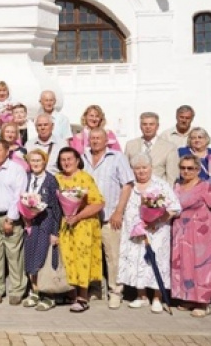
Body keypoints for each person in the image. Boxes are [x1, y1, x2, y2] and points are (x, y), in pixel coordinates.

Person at [118, 153, 181, 314]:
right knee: (137, 260)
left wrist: (156, 220)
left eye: (144, 167)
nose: (141, 171)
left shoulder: (161, 185)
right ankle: (141, 296)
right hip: (134, 231)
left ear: (151, 168)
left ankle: (157, 298)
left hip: (157, 231)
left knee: (156, 261)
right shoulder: (129, 186)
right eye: (137, 168)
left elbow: (174, 207)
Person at [82, 128, 134, 308]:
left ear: (106, 141)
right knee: (91, 255)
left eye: (99, 138)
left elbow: (127, 185)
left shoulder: (117, 157)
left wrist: (119, 211)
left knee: (112, 256)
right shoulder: (83, 157)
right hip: (88, 217)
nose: (95, 141)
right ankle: (95, 289)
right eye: (92, 138)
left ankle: (115, 291)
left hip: (110, 215)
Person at [171, 154, 211, 317]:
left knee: (202, 267)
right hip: (181, 231)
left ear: (198, 169)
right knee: (184, 264)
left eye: (190, 168)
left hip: (202, 234)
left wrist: (209, 228)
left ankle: (203, 303)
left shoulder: (206, 186)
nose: (186, 171)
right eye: (183, 168)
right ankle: (188, 298)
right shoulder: (177, 186)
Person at [55, 147, 105, 313]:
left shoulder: (85, 178)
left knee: (81, 258)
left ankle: (83, 296)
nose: (66, 162)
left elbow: (98, 203)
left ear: (77, 160)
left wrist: (77, 216)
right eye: (63, 159)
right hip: (64, 224)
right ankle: (70, 292)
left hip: (83, 225)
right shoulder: (57, 178)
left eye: (70, 159)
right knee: (67, 259)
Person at [0, 139, 28, 305]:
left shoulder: (17, 170)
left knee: (14, 256)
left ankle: (17, 289)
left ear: (7, 151)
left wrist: (10, 218)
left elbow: (19, 196)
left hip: (10, 218)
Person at [21, 150, 62, 311]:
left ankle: (48, 295)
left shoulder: (51, 180)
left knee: (44, 258)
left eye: (39, 160)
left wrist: (55, 232)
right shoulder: (27, 178)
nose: (36, 163)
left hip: (46, 222)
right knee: (30, 256)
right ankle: (35, 291)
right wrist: (26, 218)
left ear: (44, 162)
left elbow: (57, 208)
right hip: (31, 224)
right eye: (33, 161)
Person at [125, 112, 179, 185]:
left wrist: (166, 194)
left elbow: (172, 177)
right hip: (135, 190)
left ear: (157, 126)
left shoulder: (169, 147)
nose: (148, 127)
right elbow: (125, 172)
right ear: (140, 126)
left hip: (159, 192)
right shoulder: (130, 145)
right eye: (144, 124)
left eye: (151, 124)